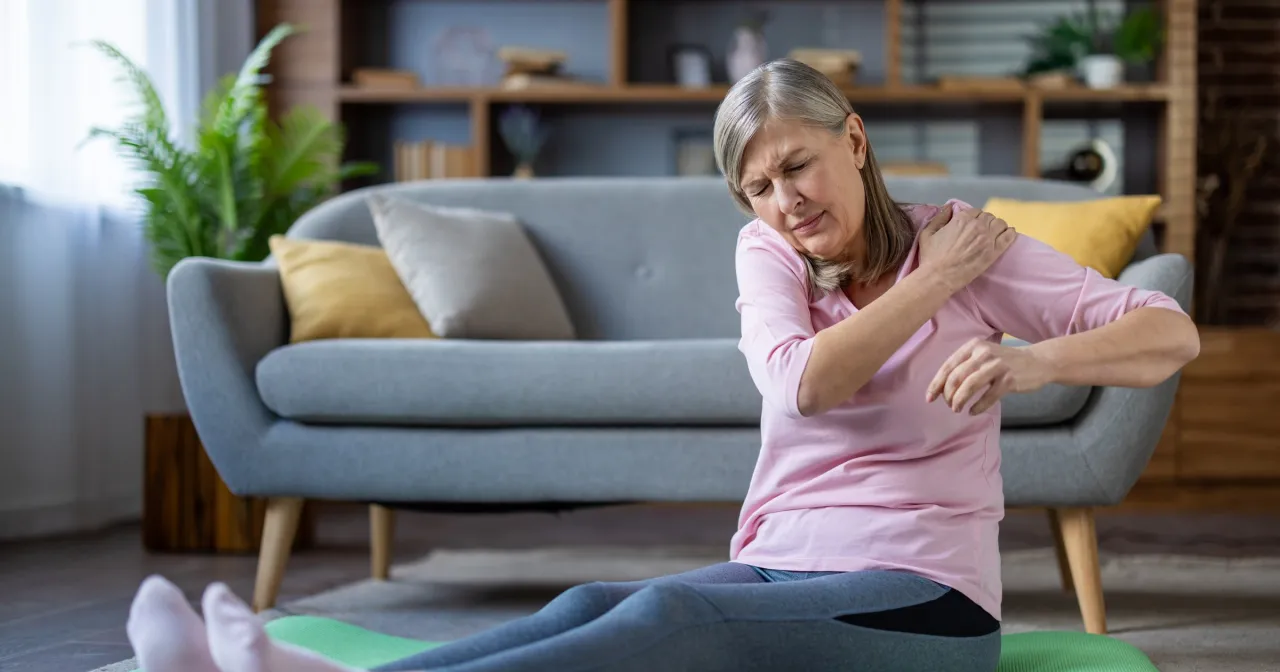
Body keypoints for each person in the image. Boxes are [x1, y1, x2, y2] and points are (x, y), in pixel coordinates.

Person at [123, 58, 1200, 672]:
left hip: (925, 606)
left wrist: (1033, 360)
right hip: (777, 565)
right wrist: (934, 288)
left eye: (797, 165)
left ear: (855, 140)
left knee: (664, 622)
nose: (785, 201)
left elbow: (1167, 332)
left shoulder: (965, 243)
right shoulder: (777, 253)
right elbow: (802, 384)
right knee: (591, 602)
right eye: (758, 187)